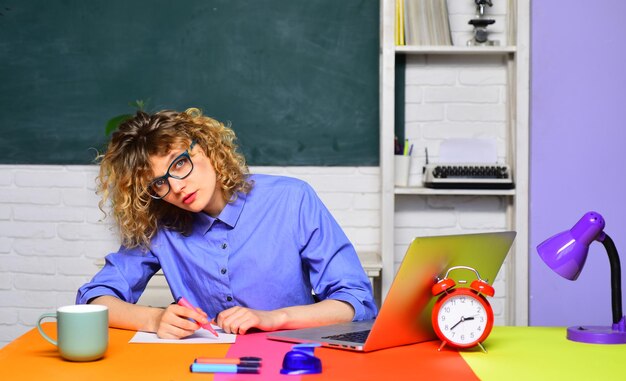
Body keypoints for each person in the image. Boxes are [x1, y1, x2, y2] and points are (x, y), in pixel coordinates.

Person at [76, 108, 378, 339]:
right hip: (206, 366)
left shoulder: (292, 199)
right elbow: (94, 299)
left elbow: (356, 301)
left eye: (179, 163)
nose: (177, 187)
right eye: (159, 183)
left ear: (205, 146)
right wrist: (153, 320)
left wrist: (274, 319)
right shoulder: (161, 224)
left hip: (294, 359)